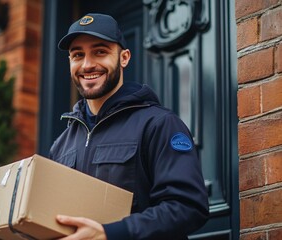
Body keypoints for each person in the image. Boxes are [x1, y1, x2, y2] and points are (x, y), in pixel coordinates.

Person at [48, 13, 209, 240]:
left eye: (100, 51)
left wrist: (110, 233)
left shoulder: (159, 125)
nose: (87, 64)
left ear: (124, 58)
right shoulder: (60, 146)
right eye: (77, 55)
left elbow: (188, 207)